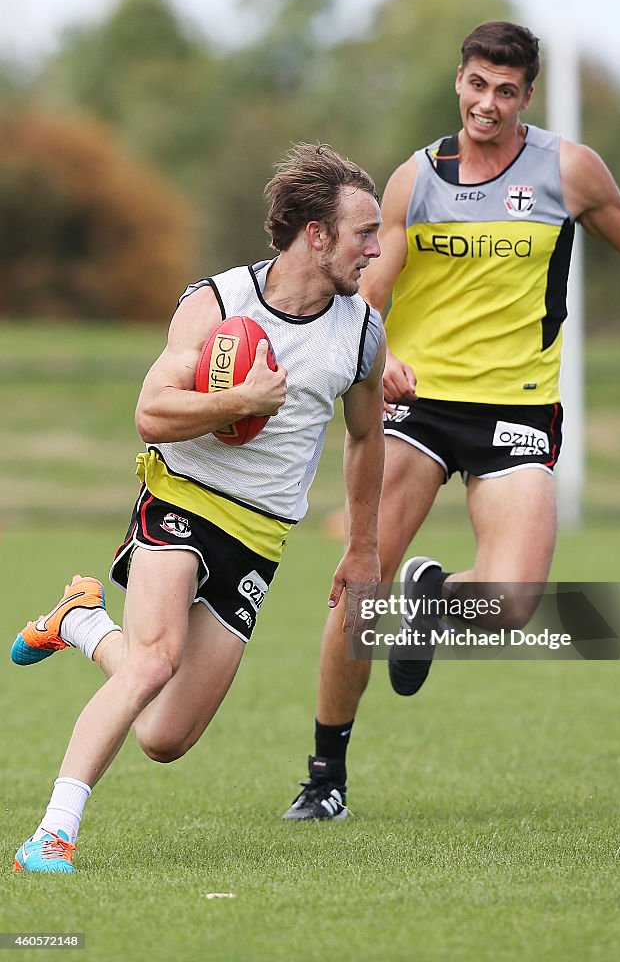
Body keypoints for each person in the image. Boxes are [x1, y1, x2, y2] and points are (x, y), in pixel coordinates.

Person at [283, 21, 620, 821]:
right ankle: (325, 779)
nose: (486, 104)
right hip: (419, 407)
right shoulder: (414, 182)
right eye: (475, 85)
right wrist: (376, 354)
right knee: (359, 591)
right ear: (457, 82)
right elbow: (366, 297)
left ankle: (430, 605)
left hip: (519, 409)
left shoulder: (568, 171)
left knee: (513, 600)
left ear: (526, 95)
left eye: (505, 90)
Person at [11, 143, 386, 871]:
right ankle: (52, 833)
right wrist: (239, 402)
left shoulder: (363, 331)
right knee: (153, 661)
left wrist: (363, 544)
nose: (377, 248)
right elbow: (151, 411)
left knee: (164, 736)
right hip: (181, 500)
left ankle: (81, 620)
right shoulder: (216, 304)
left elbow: (367, 438)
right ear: (317, 234)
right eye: (364, 233)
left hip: (260, 538)